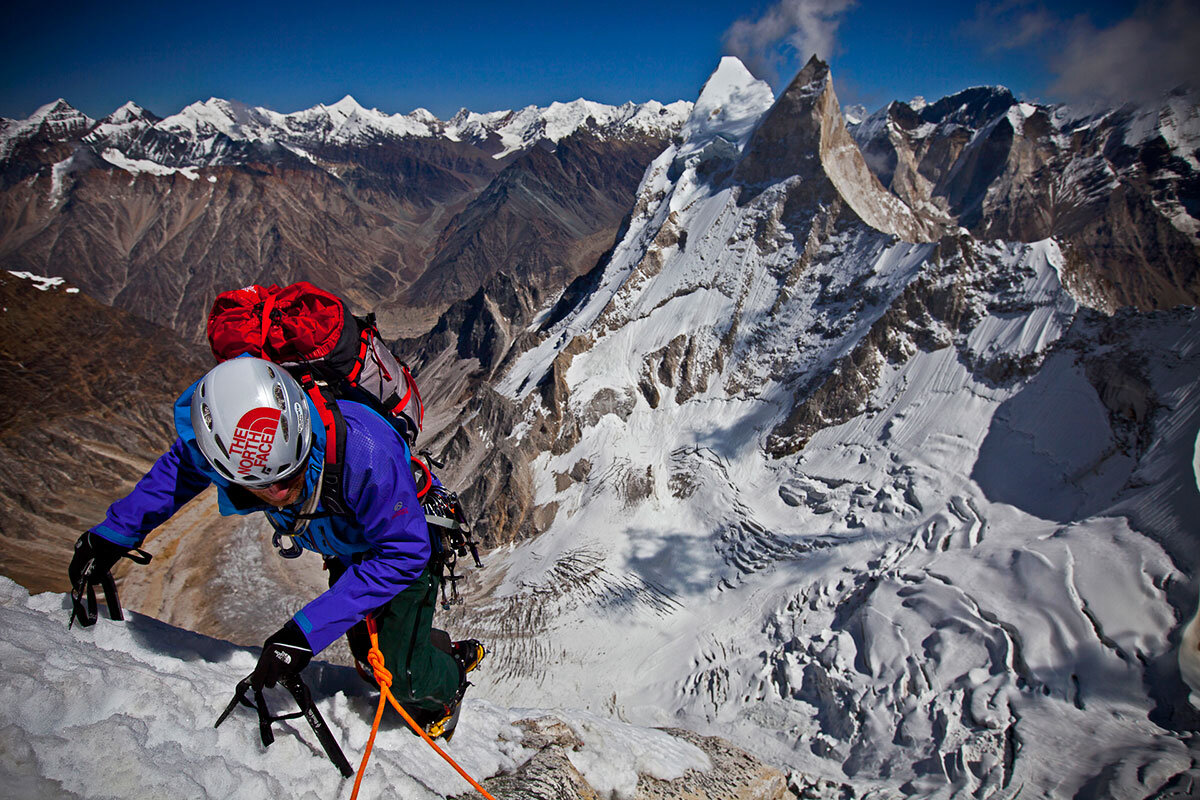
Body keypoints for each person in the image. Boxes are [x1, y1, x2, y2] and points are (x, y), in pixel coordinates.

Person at [68, 355, 482, 732]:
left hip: (405, 542)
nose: (282, 493)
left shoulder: (365, 450)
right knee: (367, 661)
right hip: (347, 546)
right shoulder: (233, 445)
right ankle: (434, 650)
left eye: (290, 474)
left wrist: (303, 633)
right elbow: (180, 470)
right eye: (263, 485)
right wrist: (114, 534)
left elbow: (403, 554)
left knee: (401, 677)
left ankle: (450, 684)